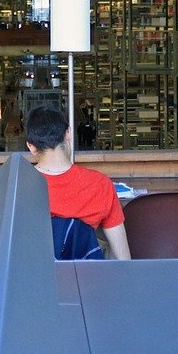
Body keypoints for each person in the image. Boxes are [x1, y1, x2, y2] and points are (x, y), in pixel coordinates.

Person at [24, 105, 131, 259]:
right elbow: (123, 259)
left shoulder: (19, 187)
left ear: (31, 146)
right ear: (68, 133)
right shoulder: (100, 184)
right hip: (87, 278)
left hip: (34, 279)